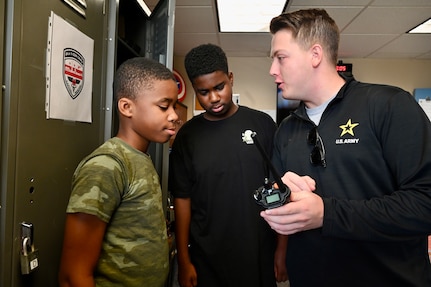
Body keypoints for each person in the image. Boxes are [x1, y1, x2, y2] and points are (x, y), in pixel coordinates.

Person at [260, 8, 431, 286]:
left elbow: (425, 203)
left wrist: (327, 214)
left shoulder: (388, 106)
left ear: (315, 55)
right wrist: (280, 196)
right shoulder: (286, 130)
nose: (272, 70)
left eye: (280, 58)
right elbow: (273, 197)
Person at [58, 57, 179, 287]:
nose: (173, 115)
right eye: (164, 106)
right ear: (126, 107)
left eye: (174, 106)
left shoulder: (141, 158)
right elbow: (73, 276)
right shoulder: (107, 165)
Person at [169, 43, 282, 287]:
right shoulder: (187, 137)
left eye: (220, 87)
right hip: (206, 259)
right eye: (204, 92)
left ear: (230, 79)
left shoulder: (263, 125)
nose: (214, 98)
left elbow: (280, 189)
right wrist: (184, 259)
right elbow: (182, 199)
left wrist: (281, 249)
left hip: (257, 253)